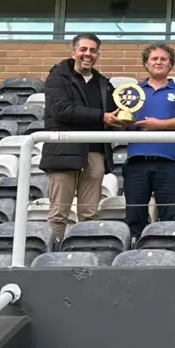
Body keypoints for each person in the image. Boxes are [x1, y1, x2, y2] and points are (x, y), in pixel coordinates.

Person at [40, 33, 124, 245]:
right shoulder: (57, 77)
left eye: (93, 50)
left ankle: (85, 251)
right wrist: (101, 117)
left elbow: (118, 110)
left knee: (89, 213)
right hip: (64, 152)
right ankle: (54, 253)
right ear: (73, 52)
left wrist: (123, 118)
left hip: (95, 152)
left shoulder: (103, 83)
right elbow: (62, 110)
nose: (88, 54)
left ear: (98, 54)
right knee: (59, 213)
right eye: (83, 49)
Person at [122, 43, 175, 242]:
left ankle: (169, 255)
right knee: (134, 218)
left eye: (163, 59)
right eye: (154, 59)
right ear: (146, 64)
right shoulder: (132, 91)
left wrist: (159, 125)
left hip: (170, 162)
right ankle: (132, 257)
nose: (159, 62)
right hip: (137, 162)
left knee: (171, 218)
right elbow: (122, 121)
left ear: (170, 64)